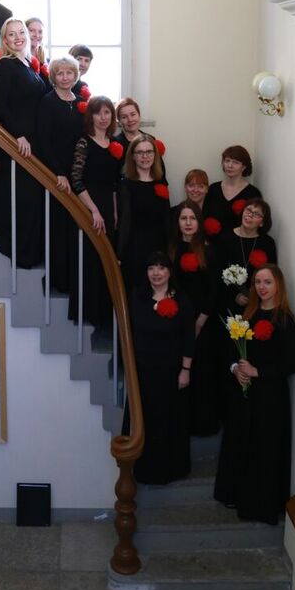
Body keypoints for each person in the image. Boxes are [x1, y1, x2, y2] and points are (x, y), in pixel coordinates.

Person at [214, 264, 295, 524]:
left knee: (263, 449)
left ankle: (259, 505)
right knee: (241, 443)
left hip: (270, 398)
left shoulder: (284, 319)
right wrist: (235, 369)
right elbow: (231, 351)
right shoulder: (246, 314)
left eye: (267, 282)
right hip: (244, 393)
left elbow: (292, 364)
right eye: (258, 282)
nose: (262, 287)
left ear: (278, 286)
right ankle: (236, 494)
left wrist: (257, 371)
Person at [126, 252, 195, 484]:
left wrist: (185, 370)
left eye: (161, 268)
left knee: (169, 420)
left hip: (171, 371)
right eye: (151, 268)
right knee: (146, 419)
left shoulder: (182, 300)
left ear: (169, 272)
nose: (156, 273)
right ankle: (145, 470)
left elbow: (189, 337)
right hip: (143, 371)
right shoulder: (137, 296)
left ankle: (172, 470)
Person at [0, 18, 48, 266]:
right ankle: (20, 252)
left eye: (21, 33)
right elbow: (1, 106)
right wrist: (18, 136)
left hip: (34, 140)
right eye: (12, 34)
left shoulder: (28, 63)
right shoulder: (5, 64)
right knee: (21, 198)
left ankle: (32, 252)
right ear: (4, 40)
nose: (18, 38)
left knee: (33, 199)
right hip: (19, 142)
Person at [68, 96, 122, 338]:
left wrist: (114, 211)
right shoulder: (84, 142)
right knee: (89, 260)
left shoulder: (114, 144)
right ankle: (87, 314)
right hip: (88, 206)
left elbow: (114, 184)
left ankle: (102, 317)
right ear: (90, 116)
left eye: (107, 112)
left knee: (105, 262)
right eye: (98, 113)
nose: (103, 117)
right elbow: (76, 180)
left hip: (108, 208)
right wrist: (94, 211)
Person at [169, 200, 220, 436]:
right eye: (183, 218)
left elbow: (214, 290)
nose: (188, 223)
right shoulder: (172, 249)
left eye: (192, 218)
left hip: (203, 321)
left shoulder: (209, 251)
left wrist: (199, 321)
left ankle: (202, 425)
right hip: (178, 319)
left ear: (199, 222)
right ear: (178, 222)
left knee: (201, 372)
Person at [36, 55, 85, 292]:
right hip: (56, 173)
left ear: (75, 76)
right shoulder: (48, 101)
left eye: (69, 73)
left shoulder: (82, 102)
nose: (65, 77)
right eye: (60, 73)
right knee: (58, 227)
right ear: (53, 77)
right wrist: (58, 173)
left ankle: (74, 279)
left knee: (76, 226)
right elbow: (43, 141)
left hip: (78, 172)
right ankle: (58, 280)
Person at [117, 134, 170, 292]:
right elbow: (125, 221)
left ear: (155, 155)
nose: (145, 156)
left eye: (149, 152)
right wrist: (119, 253)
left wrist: (169, 249)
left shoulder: (161, 181)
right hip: (135, 247)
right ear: (133, 156)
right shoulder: (126, 184)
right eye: (140, 152)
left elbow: (166, 217)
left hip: (158, 245)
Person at [216, 199, 278, 315]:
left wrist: (254, 296)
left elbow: (272, 276)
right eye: (248, 210)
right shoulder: (225, 238)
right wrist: (235, 296)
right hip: (227, 301)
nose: (250, 215)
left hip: (258, 302)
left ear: (262, 223)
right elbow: (217, 273)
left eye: (256, 214)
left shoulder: (267, 243)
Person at [203, 145, 262, 239]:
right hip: (213, 244)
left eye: (236, 162)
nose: (230, 165)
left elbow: (255, 224)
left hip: (240, 244)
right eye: (227, 161)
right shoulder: (213, 189)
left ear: (244, 167)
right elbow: (204, 216)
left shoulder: (253, 193)